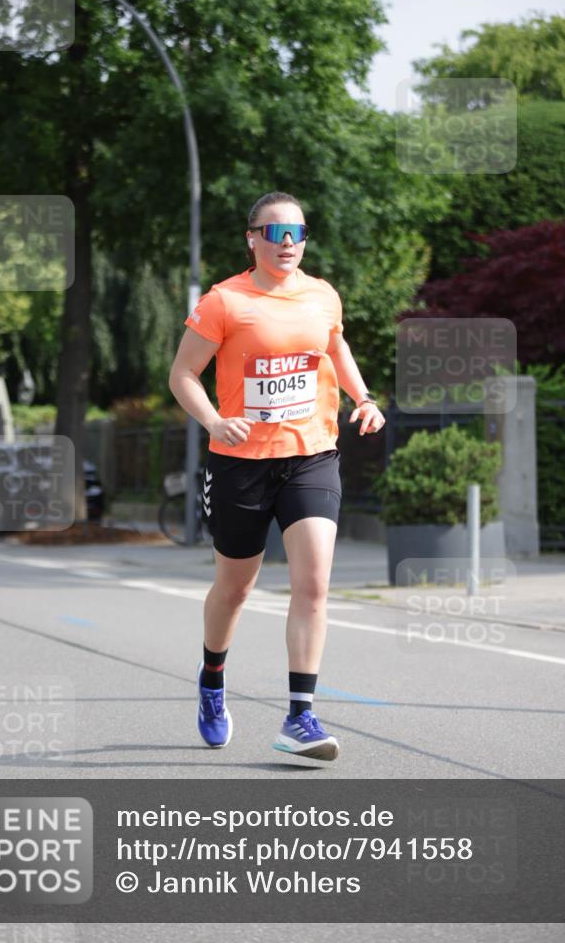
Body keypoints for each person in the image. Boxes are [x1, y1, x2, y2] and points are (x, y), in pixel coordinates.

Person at [168, 191, 385, 761]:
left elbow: (335, 346)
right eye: (275, 232)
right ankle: (212, 678)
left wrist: (363, 397)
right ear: (252, 238)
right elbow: (183, 374)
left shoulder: (322, 296)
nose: (287, 243)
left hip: (311, 454)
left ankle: (300, 718)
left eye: (298, 232)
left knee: (312, 585)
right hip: (240, 463)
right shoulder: (224, 302)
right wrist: (216, 420)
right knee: (235, 589)